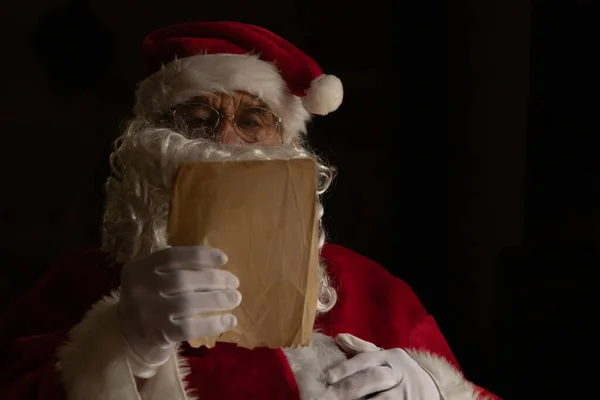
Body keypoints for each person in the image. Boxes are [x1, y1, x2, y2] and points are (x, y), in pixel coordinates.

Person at [0, 21, 498, 400]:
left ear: (285, 141)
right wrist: (120, 345)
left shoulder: (369, 288)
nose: (224, 140)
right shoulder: (74, 286)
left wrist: (432, 391)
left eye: (252, 120)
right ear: (148, 149)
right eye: (196, 120)